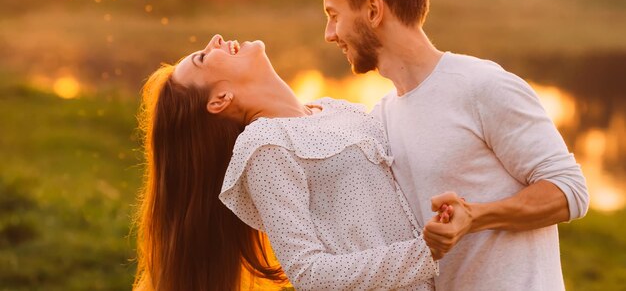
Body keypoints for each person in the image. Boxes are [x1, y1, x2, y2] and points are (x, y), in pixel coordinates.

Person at [320, 0, 589, 291]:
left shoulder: (481, 86)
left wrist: (475, 216)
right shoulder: (381, 118)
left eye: (334, 15)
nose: (329, 33)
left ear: (373, 10)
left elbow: (569, 190)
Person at [133, 34, 447, 291]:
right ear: (220, 100)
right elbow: (310, 274)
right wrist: (426, 251)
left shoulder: (336, 109)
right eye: (203, 57)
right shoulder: (264, 147)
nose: (215, 39)